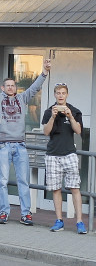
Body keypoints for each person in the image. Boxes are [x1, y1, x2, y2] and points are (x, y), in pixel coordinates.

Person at [0, 57, 50, 225]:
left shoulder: (22, 99)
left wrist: (44, 72)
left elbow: (35, 88)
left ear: (16, 87)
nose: (11, 88)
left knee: (23, 181)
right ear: (3, 88)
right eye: (8, 85)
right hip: (4, 145)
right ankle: (4, 212)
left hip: (20, 146)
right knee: (3, 181)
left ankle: (25, 214)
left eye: (13, 85)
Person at [42, 83, 86, 234]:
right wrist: (53, 117)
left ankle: (79, 222)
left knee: (75, 188)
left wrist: (70, 116)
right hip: (53, 154)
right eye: (58, 93)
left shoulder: (74, 111)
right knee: (56, 189)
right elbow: (46, 132)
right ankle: (59, 220)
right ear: (54, 95)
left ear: (67, 94)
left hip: (69, 154)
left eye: (63, 93)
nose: (60, 95)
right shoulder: (49, 111)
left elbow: (78, 130)